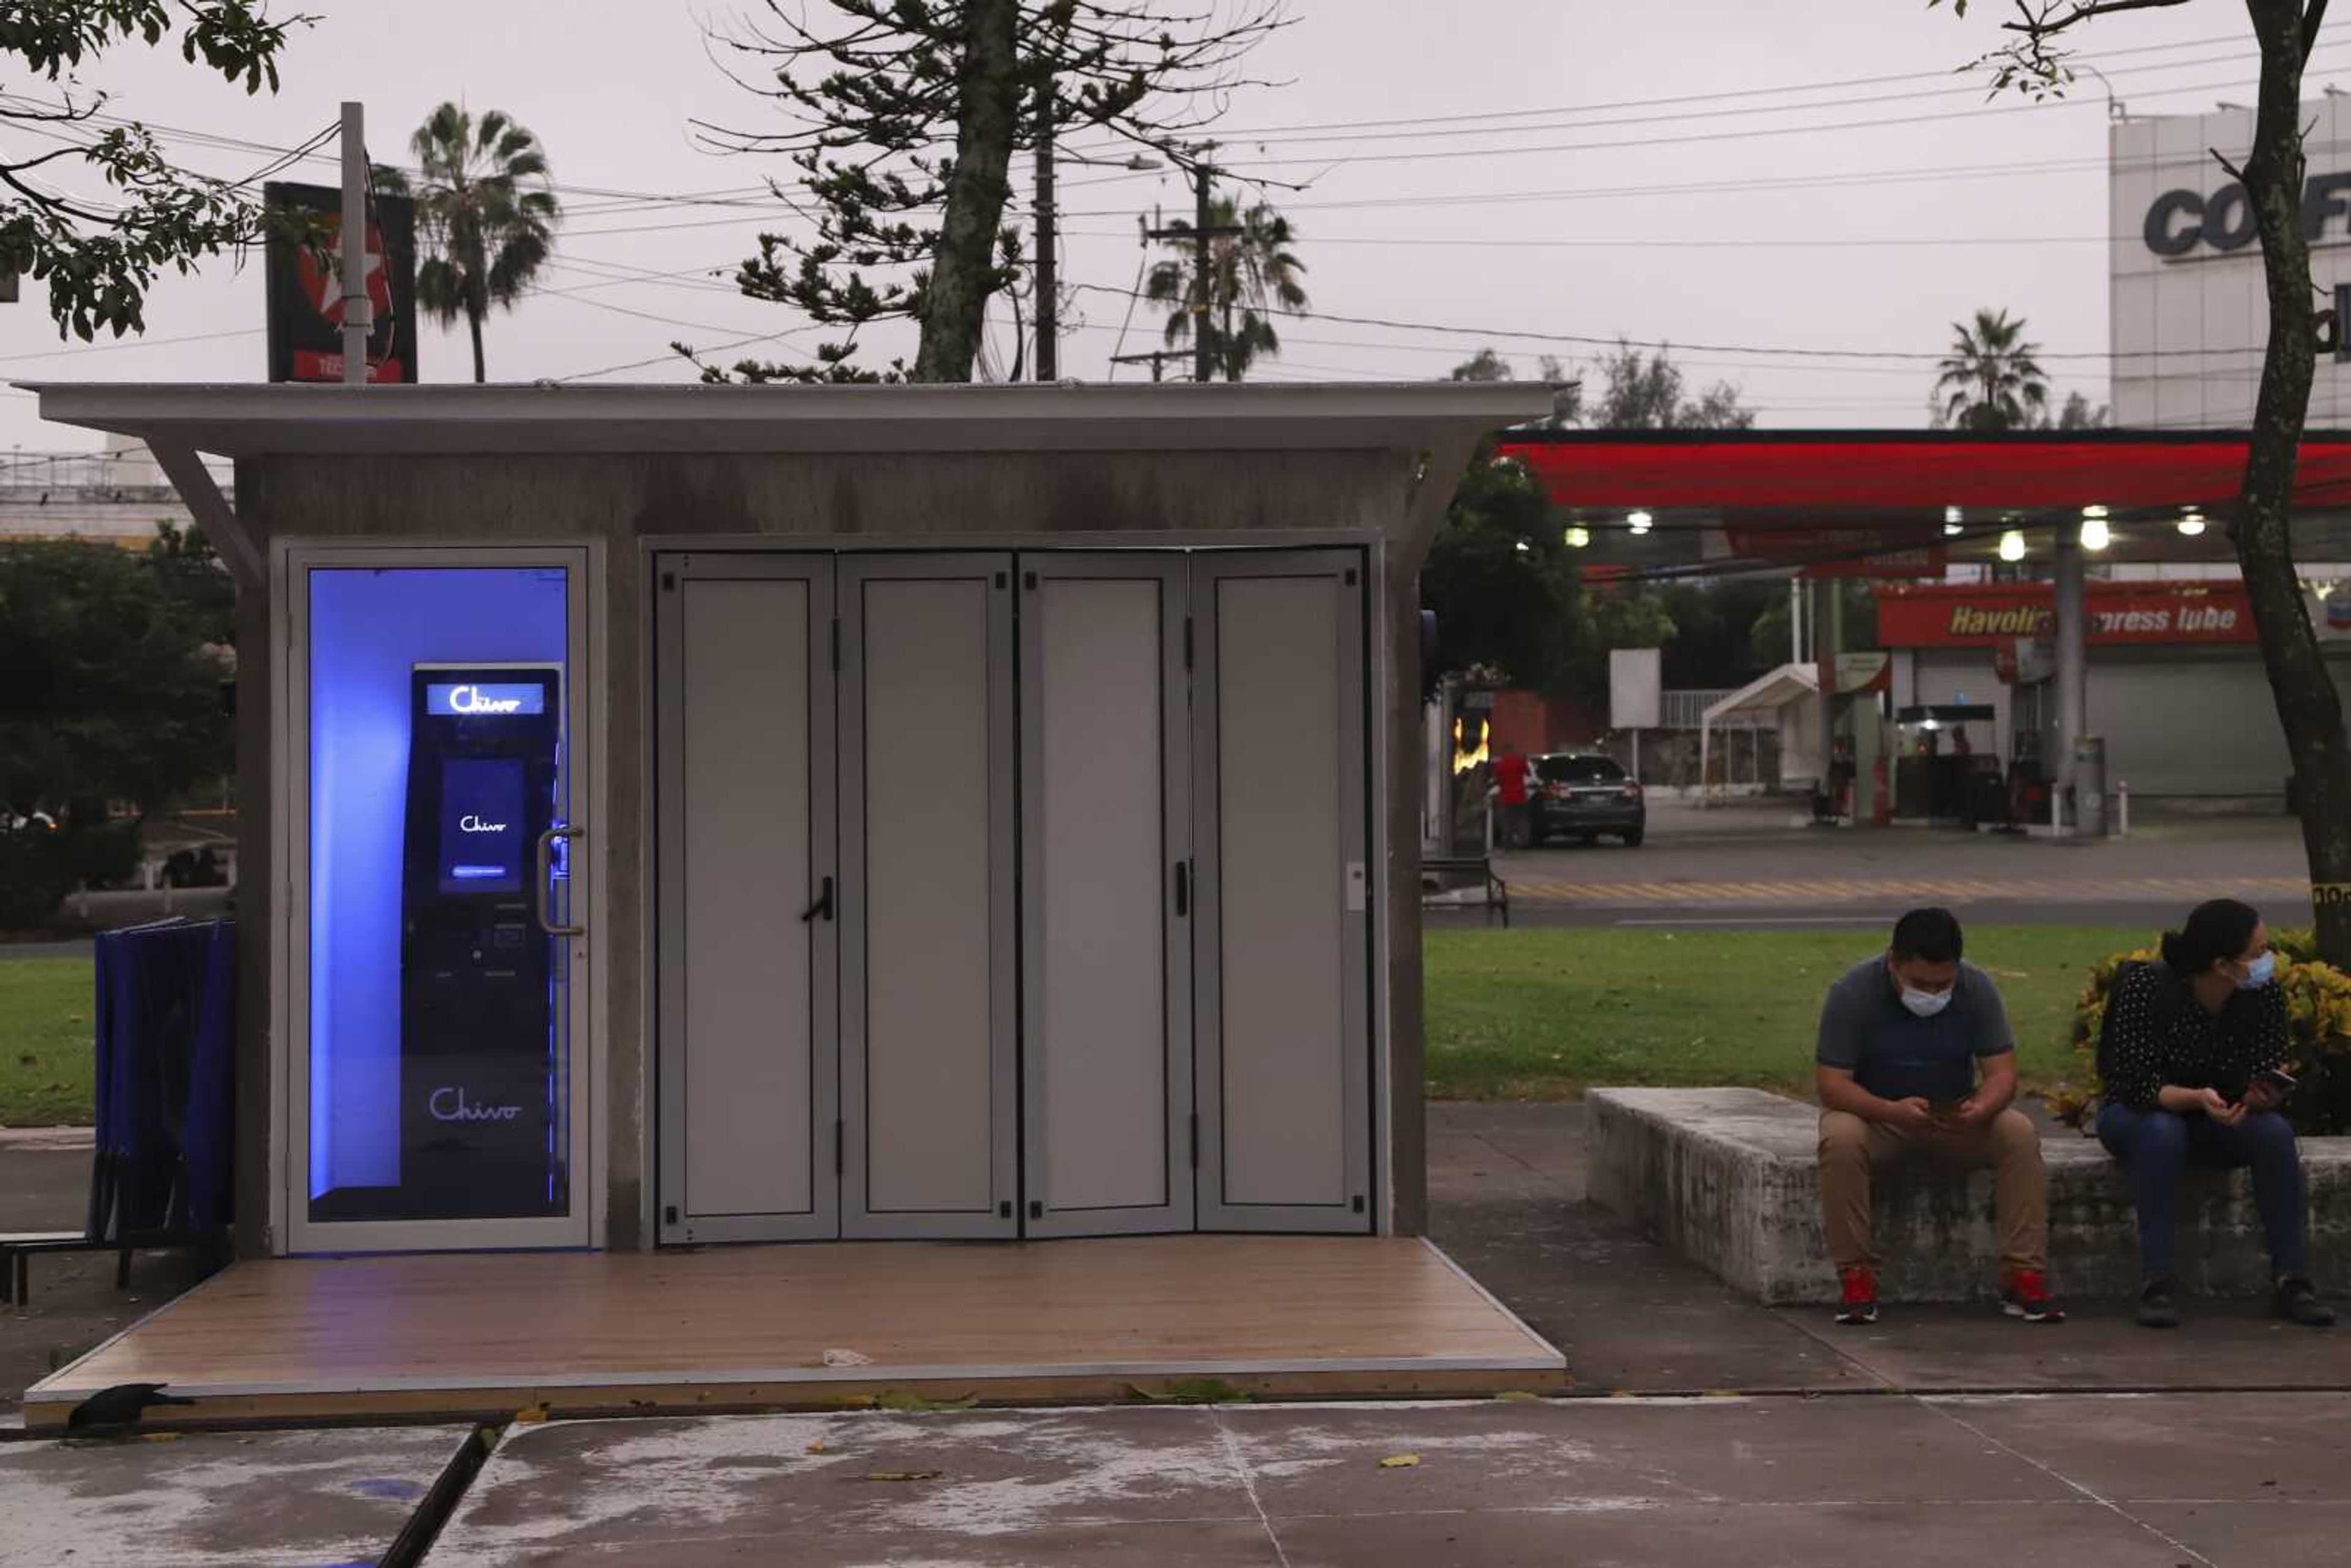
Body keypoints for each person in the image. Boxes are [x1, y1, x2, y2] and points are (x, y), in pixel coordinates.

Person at [1815, 907, 2061, 1325]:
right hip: (1879, 1117)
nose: (1932, 993)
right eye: (1920, 983)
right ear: (1894, 961)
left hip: (1953, 1115)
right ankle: (1856, 1277)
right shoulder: (1853, 992)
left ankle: (2024, 1274)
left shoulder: (1977, 988)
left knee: (2017, 1131)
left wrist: (1982, 1106)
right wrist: (1890, 1110)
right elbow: (1832, 1083)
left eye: (1943, 984)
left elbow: (2002, 1073)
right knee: (1839, 1136)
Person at [2094, 899, 2334, 1329]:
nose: (2268, 961)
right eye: (2259, 952)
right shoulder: (2146, 988)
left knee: (2274, 1133)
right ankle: (2158, 1280)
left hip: (2220, 1114)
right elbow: (2133, 1083)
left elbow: (2262, 1063)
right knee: (2163, 1132)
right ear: (2222, 964)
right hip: (2139, 1114)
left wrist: (2259, 1095)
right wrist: (2194, 1097)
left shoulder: (2261, 995)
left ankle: (2291, 1279)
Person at [1491, 744, 1531, 850]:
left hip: (1506, 797)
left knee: (1507, 822)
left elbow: (1497, 780)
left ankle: (1508, 844)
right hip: (1520, 796)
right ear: (1513, 751)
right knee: (1522, 820)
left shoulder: (1500, 764)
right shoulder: (1519, 762)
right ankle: (1523, 842)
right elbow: (1528, 773)